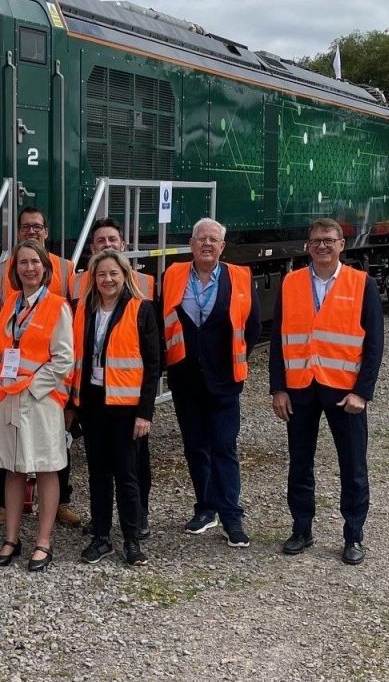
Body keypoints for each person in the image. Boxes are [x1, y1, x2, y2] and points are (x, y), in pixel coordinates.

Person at [270, 218, 384, 565]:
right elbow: (278, 340)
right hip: (301, 389)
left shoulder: (362, 283)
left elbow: (375, 343)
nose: (322, 246)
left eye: (329, 240)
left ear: (341, 245)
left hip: (344, 392)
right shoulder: (290, 283)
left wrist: (362, 393)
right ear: (308, 245)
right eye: (316, 240)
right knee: (300, 464)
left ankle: (353, 536)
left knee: (353, 466)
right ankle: (301, 529)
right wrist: (278, 388)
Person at [0, 207, 80, 530]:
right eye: (23, 262)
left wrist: (34, 386)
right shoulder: (10, 299)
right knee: (12, 465)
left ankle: (45, 535)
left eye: (35, 262)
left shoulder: (60, 293)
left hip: (42, 397)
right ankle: (11, 536)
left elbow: (65, 354)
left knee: (48, 463)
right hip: (9, 395)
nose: (29, 267)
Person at [161, 218, 260, 546]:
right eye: (201, 238)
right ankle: (205, 508)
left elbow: (253, 327)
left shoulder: (241, 278)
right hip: (185, 379)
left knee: (224, 447)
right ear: (191, 244)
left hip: (224, 380)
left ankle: (232, 516)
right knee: (195, 447)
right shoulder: (172, 275)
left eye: (213, 240)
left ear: (222, 246)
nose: (207, 244)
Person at [71, 249, 160, 566]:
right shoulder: (85, 309)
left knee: (127, 476)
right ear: (93, 279)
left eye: (113, 274)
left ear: (125, 276)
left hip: (126, 408)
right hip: (93, 404)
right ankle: (102, 538)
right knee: (98, 474)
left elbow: (152, 366)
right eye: (101, 274)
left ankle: (132, 541)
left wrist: (144, 413)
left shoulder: (141, 309)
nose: (107, 280)